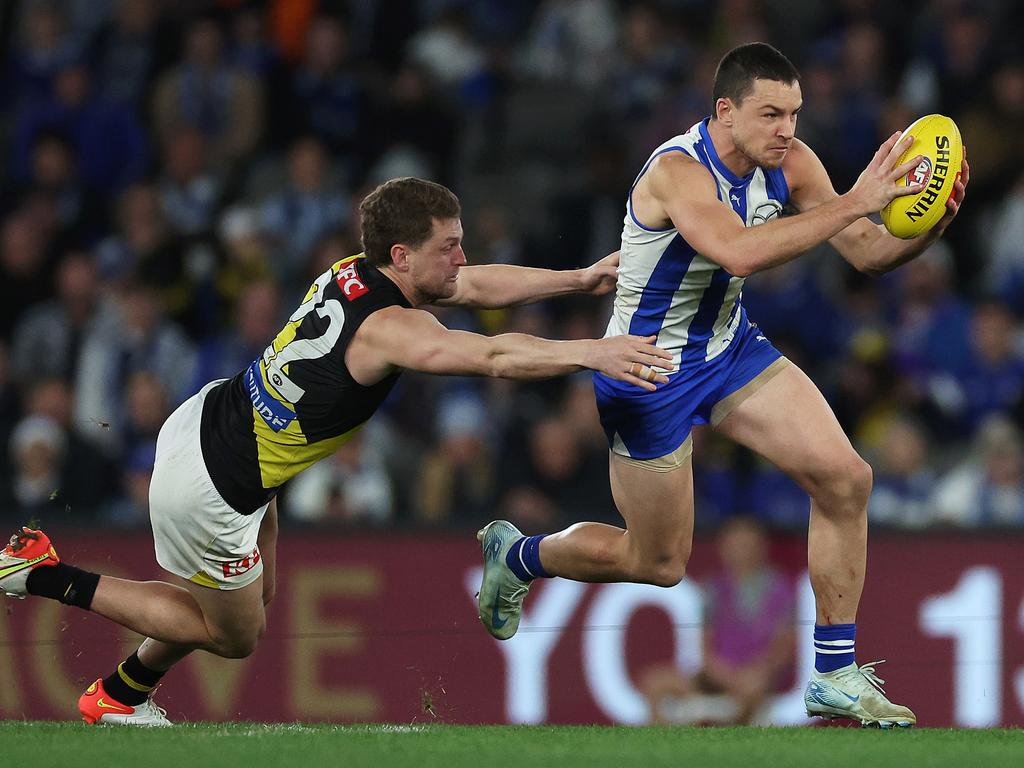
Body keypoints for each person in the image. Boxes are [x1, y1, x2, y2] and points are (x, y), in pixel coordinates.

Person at [0, 177, 673, 726]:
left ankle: (121, 696)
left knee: (258, 594)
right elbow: (492, 354)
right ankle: (41, 575)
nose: (461, 260)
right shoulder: (390, 328)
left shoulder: (354, 270)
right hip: (216, 484)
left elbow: (472, 288)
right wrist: (593, 351)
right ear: (404, 256)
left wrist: (575, 280)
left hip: (212, 416)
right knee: (234, 634)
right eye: (450, 246)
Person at [476, 42, 969, 728]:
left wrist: (930, 225)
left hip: (729, 349)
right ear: (725, 112)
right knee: (656, 562)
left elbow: (867, 253)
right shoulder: (677, 171)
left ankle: (833, 672)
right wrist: (860, 199)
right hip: (647, 371)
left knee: (846, 478)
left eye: (794, 114)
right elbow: (738, 250)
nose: (787, 130)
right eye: (771, 114)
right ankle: (520, 554)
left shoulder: (791, 164)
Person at [639, 516, 795, 725]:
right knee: (655, 683)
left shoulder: (779, 589)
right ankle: (658, 749)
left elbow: (783, 647)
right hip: (717, 676)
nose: (740, 551)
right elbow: (704, 649)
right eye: (735, 544)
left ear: (761, 548)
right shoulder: (713, 588)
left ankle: (735, 745)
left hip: (755, 676)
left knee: (752, 688)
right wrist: (726, 676)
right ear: (723, 548)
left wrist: (757, 672)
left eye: (747, 544)